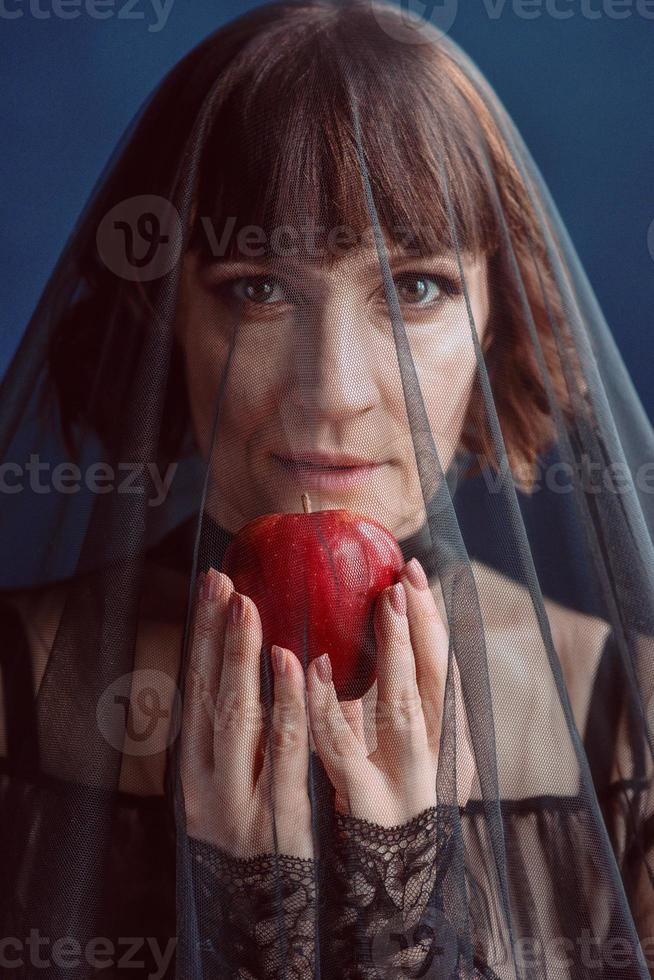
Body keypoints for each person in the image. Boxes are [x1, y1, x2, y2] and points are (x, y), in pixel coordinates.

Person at [1, 1, 653, 977]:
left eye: (416, 288)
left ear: (499, 317)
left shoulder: (631, 719)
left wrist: (399, 930)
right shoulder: (12, 694)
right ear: (163, 309)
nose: (335, 392)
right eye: (258, 286)